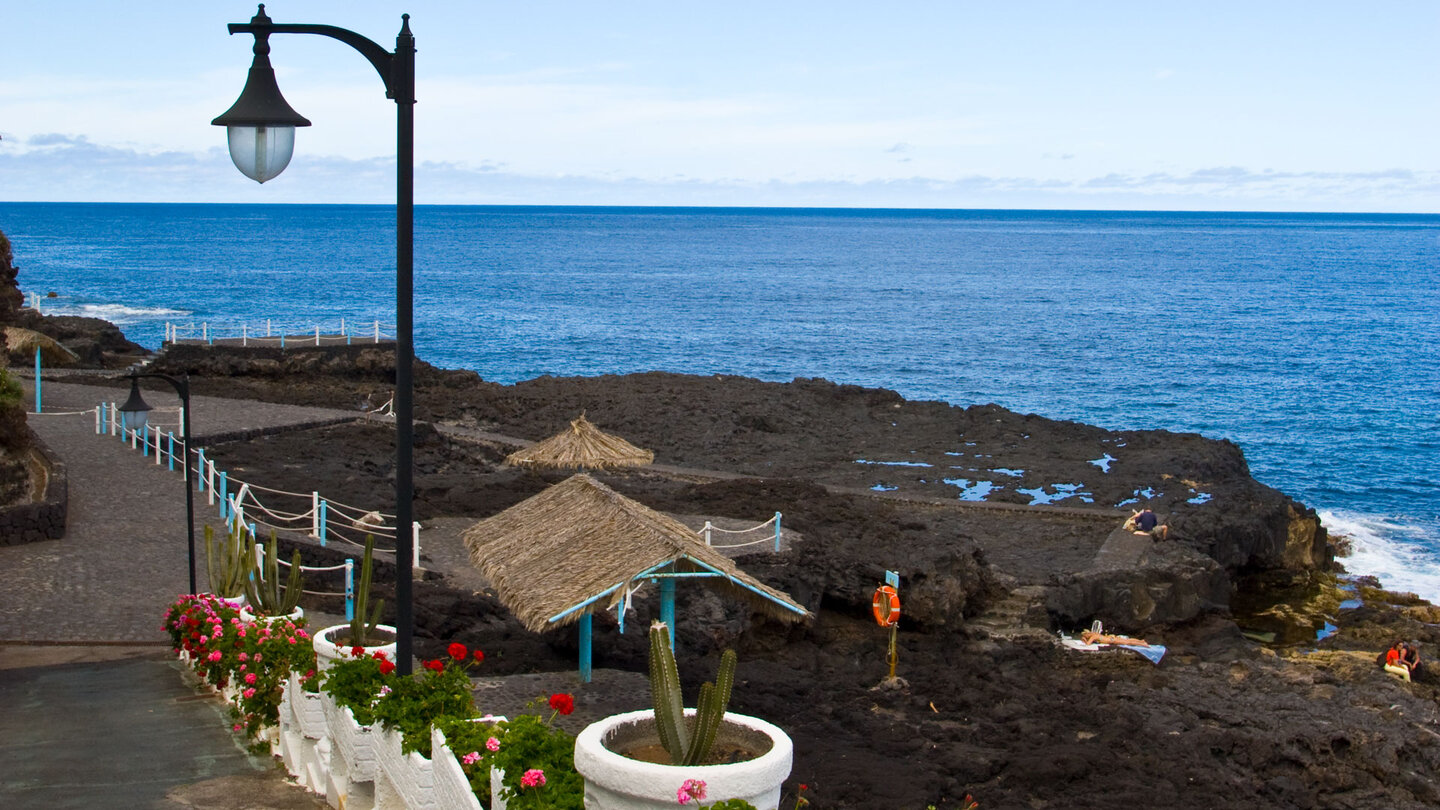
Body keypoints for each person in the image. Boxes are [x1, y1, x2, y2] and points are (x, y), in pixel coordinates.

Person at [1081, 630, 1151, 647]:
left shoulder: (1094, 636)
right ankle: (1141, 641)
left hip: (1112, 640)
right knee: (1128, 640)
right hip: (1112, 638)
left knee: (1127, 642)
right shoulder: (1095, 634)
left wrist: (1084, 641)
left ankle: (1143, 644)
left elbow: (1088, 644)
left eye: (1085, 636)